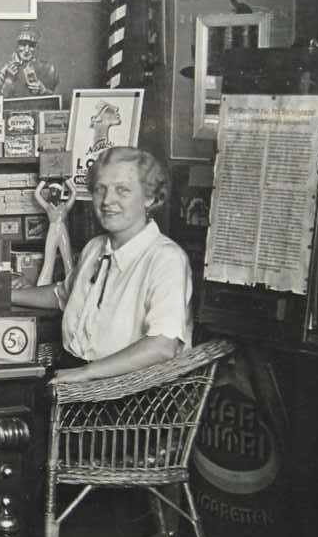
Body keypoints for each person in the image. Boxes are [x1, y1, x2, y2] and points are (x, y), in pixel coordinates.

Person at [11, 147, 192, 384]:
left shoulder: (166, 258)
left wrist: (87, 373)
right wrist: (9, 294)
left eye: (122, 190)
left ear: (150, 198)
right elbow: (63, 295)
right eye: (100, 189)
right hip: (73, 371)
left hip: (128, 389)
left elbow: (162, 346)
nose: (107, 201)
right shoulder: (95, 247)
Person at [0, 24, 59, 97]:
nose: (26, 50)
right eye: (23, 45)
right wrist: (9, 80)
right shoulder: (6, 70)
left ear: (37, 47)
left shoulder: (49, 69)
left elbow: (57, 99)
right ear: (17, 46)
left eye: (31, 45)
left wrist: (43, 91)